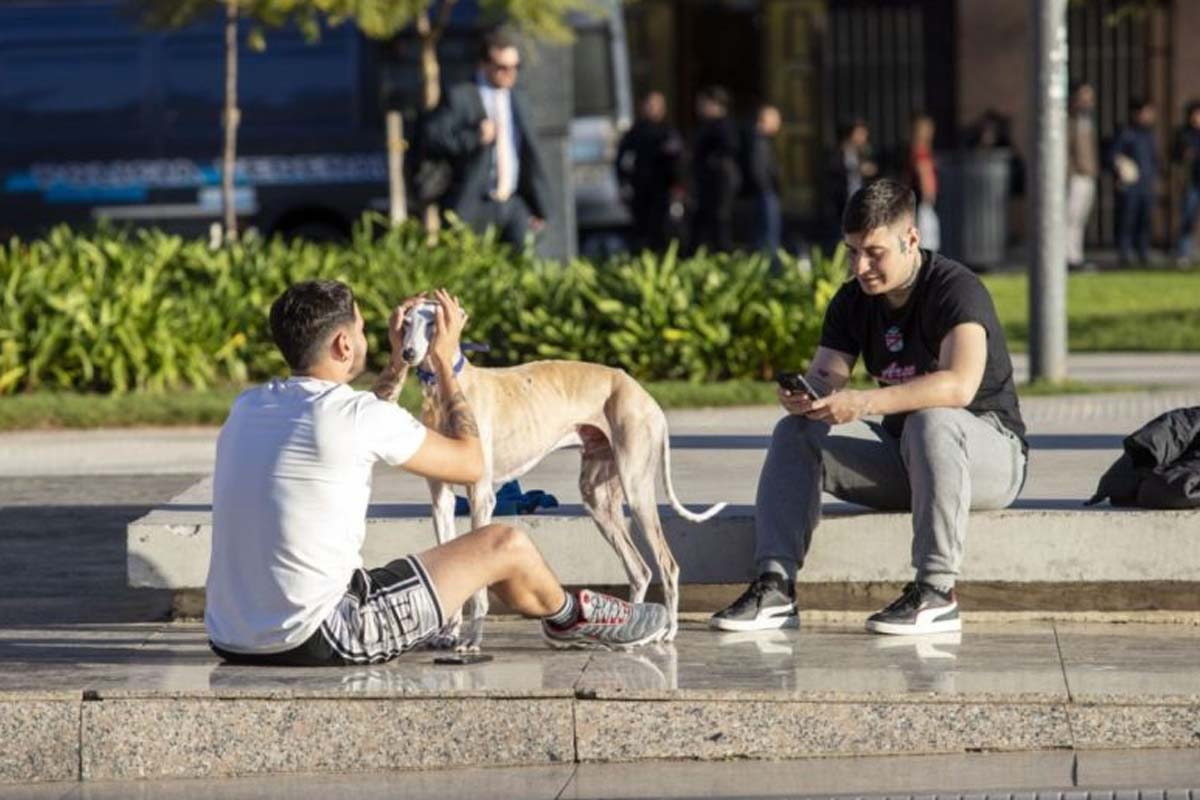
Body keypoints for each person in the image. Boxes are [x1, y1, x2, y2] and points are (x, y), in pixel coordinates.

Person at [205, 281, 669, 665]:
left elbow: (364, 414)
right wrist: (446, 363)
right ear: (344, 344)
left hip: (230, 637)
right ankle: (571, 616)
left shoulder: (248, 406)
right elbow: (472, 464)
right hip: (326, 634)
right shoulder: (357, 416)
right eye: (364, 330)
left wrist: (397, 363)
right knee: (505, 543)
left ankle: (567, 615)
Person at [710, 179, 1027, 636]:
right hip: (910, 459)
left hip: (989, 458)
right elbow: (827, 376)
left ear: (911, 239)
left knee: (932, 420)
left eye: (874, 252)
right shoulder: (852, 301)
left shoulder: (956, 289)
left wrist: (865, 402)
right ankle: (775, 586)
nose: (861, 266)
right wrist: (805, 395)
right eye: (852, 251)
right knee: (794, 432)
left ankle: (937, 592)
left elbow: (958, 386)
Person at [423, 28, 551, 248]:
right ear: (484, 64)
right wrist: (474, 137)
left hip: (514, 202)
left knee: (521, 266)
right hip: (473, 203)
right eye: (502, 67)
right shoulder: (462, 95)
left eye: (515, 67)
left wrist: (539, 208)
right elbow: (433, 136)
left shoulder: (519, 98)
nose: (510, 73)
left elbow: (530, 154)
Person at [616, 91, 685, 253]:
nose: (652, 109)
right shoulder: (634, 132)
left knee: (663, 231)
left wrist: (678, 186)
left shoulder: (668, 132)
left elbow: (678, 162)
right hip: (640, 189)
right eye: (649, 105)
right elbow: (622, 161)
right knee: (641, 232)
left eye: (656, 106)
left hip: (662, 189)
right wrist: (623, 185)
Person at [690, 85, 741, 253]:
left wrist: (711, 163)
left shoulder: (724, 126)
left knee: (720, 223)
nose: (699, 107)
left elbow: (728, 151)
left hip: (719, 183)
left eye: (703, 103)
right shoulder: (706, 125)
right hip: (705, 184)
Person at [1111, 99, 1158, 266]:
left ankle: (1143, 252)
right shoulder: (1127, 134)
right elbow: (1114, 156)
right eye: (1145, 112)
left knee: (1145, 219)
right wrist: (1121, 170)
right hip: (1131, 186)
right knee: (1127, 219)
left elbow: (1153, 160)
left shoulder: (1150, 135)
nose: (1149, 116)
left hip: (1146, 184)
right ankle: (1125, 253)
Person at [1066, 84, 1099, 271]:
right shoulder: (1069, 121)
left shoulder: (1087, 121)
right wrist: (1070, 173)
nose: (1088, 102)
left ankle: (1076, 255)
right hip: (1075, 176)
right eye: (1084, 97)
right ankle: (1070, 258)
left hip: (1088, 175)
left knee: (1080, 219)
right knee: (1071, 218)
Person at [747, 104, 784, 261]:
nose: (778, 124)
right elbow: (758, 169)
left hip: (766, 192)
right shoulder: (758, 140)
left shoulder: (763, 140)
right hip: (765, 193)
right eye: (776, 120)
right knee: (767, 238)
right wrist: (767, 187)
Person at [827, 118, 878, 234]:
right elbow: (834, 170)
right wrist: (856, 170)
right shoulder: (839, 152)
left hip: (860, 200)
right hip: (843, 200)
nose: (863, 137)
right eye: (860, 133)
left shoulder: (864, 152)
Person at [1172, 100, 1200, 265]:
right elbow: (1174, 156)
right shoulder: (1183, 134)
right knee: (1188, 217)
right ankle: (1184, 253)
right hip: (1191, 182)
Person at [909, 114, 940, 252]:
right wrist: (929, 194)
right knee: (926, 238)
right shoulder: (921, 151)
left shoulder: (919, 150)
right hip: (922, 200)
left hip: (919, 200)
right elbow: (924, 174)